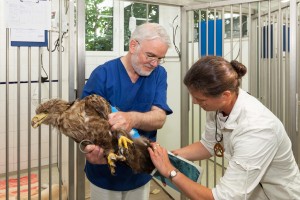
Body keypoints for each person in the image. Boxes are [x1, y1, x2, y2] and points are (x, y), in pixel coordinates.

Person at [148, 56, 300, 200]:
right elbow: (208, 146)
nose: (195, 102)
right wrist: (170, 157)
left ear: (226, 95)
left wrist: (170, 171)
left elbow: (223, 197)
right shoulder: (218, 107)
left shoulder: (258, 129)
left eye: (201, 99)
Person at [81, 23, 173, 200]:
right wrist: (88, 148)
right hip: (105, 170)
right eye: (150, 55)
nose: (155, 63)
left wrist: (132, 118)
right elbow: (85, 121)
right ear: (133, 46)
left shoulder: (159, 74)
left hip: (139, 169)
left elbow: (160, 118)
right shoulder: (103, 74)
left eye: (160, 58)